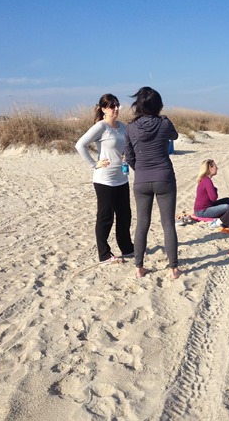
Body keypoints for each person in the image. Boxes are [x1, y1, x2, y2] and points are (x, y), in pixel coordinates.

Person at [125, 86, 180, 279]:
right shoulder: (164, 123)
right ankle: (174, 268)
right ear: (158, 104)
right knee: (168, 224)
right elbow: (175, 136)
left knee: (142, 224)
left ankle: (139, 267)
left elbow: (129, 156)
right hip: (164, 177)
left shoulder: (130, 127)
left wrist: (139, 170)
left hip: (141, 180)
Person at [75, 93, 134, 264]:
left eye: (117, 105)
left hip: (121, 178)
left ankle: (127, 248)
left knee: (125, 215)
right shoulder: (100, 127)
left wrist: (126, 156)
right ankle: (104, 254)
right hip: (104, 180)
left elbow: (125, 147)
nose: (115, 109)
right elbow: (80, 145)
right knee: (106, 217)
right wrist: (94, 164)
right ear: (103, 109)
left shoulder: (122, 127)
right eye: (111, 106)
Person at [194, 159, 229, 227]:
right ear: (210, 168)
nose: (217, 168)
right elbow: (213, 198)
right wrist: (215, 190)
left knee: (227, 200)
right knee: (227, 207)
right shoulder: (207, 181)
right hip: (202, 211)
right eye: (215, 166)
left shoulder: (205, 179)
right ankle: (221, 222)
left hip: (207, 206)